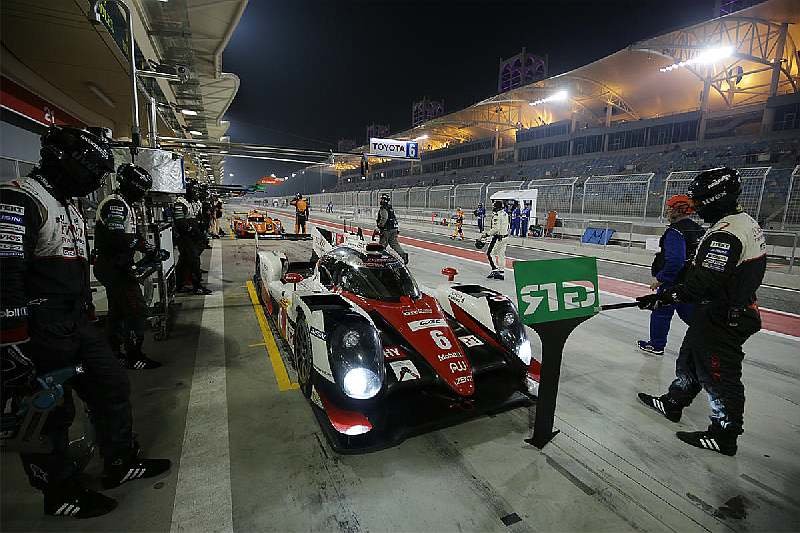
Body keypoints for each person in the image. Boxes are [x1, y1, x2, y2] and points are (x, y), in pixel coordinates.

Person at [0, 126, 170, 518]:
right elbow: (5, 273)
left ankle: (120, 463)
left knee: (111, 383)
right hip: (39, 326)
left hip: (76, 319)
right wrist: (12, 342)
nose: (95, 178)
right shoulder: (19, 197)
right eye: (92, 168)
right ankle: (59, 493)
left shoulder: (70, 206)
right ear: (67, 162)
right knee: (48, 412)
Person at [637, 168, 766, 456]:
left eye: (701, 203)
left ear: (718, 199)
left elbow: (705, 282)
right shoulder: (743, 223)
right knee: (691, 358)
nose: (696, 208)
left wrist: (667, 296)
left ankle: (724, 434)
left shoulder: (727, 234)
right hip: (718, 310)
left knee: (719, 375)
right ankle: (674, 402)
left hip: (725, 316)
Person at [93, 164, 166, 370]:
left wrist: (146, 248)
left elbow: (128, 237)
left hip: (116, 265)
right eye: (142, 189)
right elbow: (117, 237)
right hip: (113, 267)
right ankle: (134, 356)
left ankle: (114, 353)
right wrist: (146, 247)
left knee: (117, 311)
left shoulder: (123, 204)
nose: (143, 194)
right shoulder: (115, 204)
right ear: (133, 186)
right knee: (137, 310)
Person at [637, 195, 704, 356]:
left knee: (661, 311)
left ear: (678, 209)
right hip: (691, 280)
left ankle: (656, 345)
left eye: (670, 207)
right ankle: (709, 339)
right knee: (691, 313)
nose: (667, 211)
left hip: (673, 281)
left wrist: (661, 278)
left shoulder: (675, 232)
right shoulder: (699, 230)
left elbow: (675, 260)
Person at [173, 184, 211, 295]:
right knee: (193, 259)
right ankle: (196, 286)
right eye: (194, 191)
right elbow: (180, 223)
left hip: (192, 237)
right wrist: (192, 231)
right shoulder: (180, 203)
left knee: (185, 260)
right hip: (185, 238)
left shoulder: (191, 202)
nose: (197, 194)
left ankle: (180, 284)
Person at [480, 200, 510, 280]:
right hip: (505, 236)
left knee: (490, 253)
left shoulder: (497, 215)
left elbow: (496, 229)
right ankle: (501, 272)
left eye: (494, 206)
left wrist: (486, 234)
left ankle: (495, 270)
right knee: (501, 254)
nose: (493, 207)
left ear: (497, 207)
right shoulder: (505, 214)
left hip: (498, 237)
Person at [376, 193, 408, 264]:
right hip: (394, 229)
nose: (380, 200)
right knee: (394, 244)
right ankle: (403, 255)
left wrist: (379, 225)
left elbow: (384, 218)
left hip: (386, 230)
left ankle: (380, 261)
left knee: (382, 245)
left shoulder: (383, 208)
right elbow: (394, 218)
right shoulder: (390, 208)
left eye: (381, 199)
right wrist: (397, 228)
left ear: (384, 200)